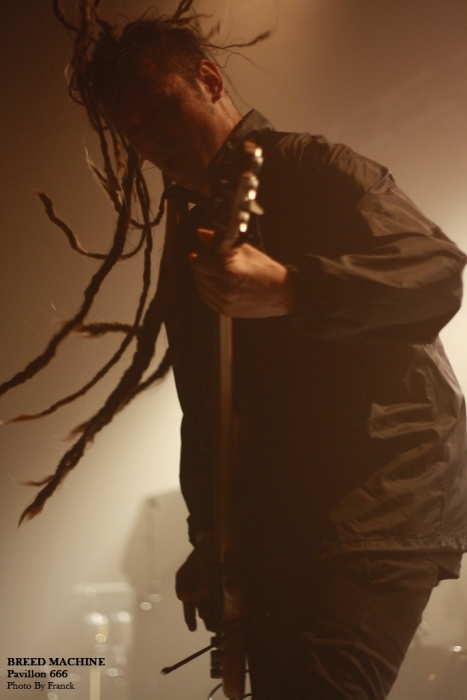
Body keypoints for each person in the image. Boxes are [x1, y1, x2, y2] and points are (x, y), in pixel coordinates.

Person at [12, 3, 467, 698]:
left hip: (378, 505)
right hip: (285, 526)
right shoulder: (191, 232)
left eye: (161, 109)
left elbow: (435, 274)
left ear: (209, 79)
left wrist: (291, 288)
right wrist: (211, 537)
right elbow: (209, 404)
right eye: (133, 130)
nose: (151, 139)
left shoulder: (311, 167)